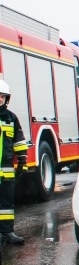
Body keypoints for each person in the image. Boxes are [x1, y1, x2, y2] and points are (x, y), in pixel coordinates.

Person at [0, 80, 28, 245]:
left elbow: (19, 140)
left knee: (6, 204)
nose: (0, 99)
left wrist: (22, 160)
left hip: (6, 170)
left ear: (6, 99)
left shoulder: (11, 118)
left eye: (2, 96)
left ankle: (7, 232)